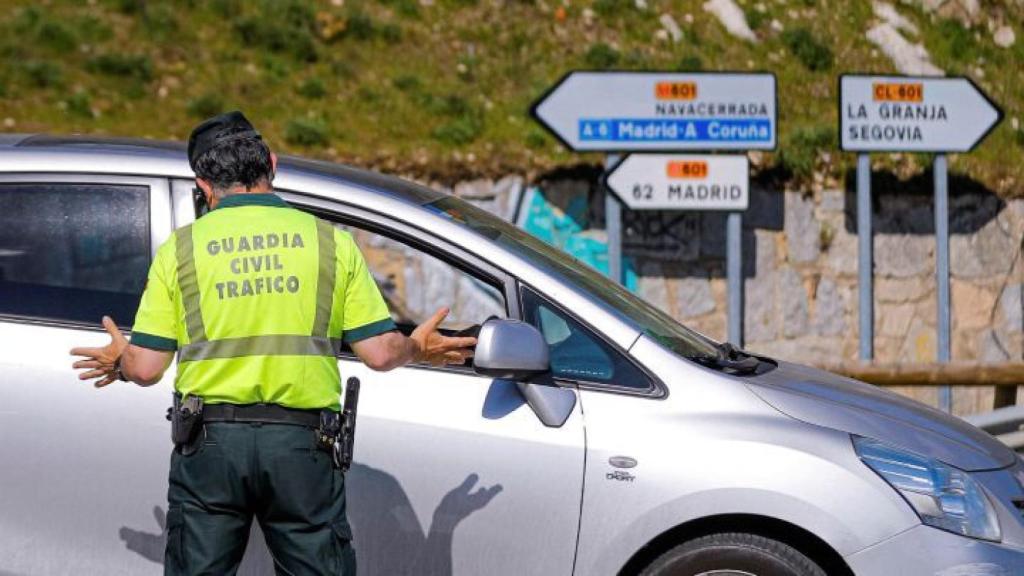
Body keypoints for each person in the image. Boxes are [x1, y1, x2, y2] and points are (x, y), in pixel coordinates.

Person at [70, 111, 477, 575]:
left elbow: (145, 369)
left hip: (210, 445)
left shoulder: (181, 249)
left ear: (202, 184)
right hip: (303, 447)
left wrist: (121, 361)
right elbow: (381, 353)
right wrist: (417, 346)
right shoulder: (331, 243)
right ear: (273, 164)